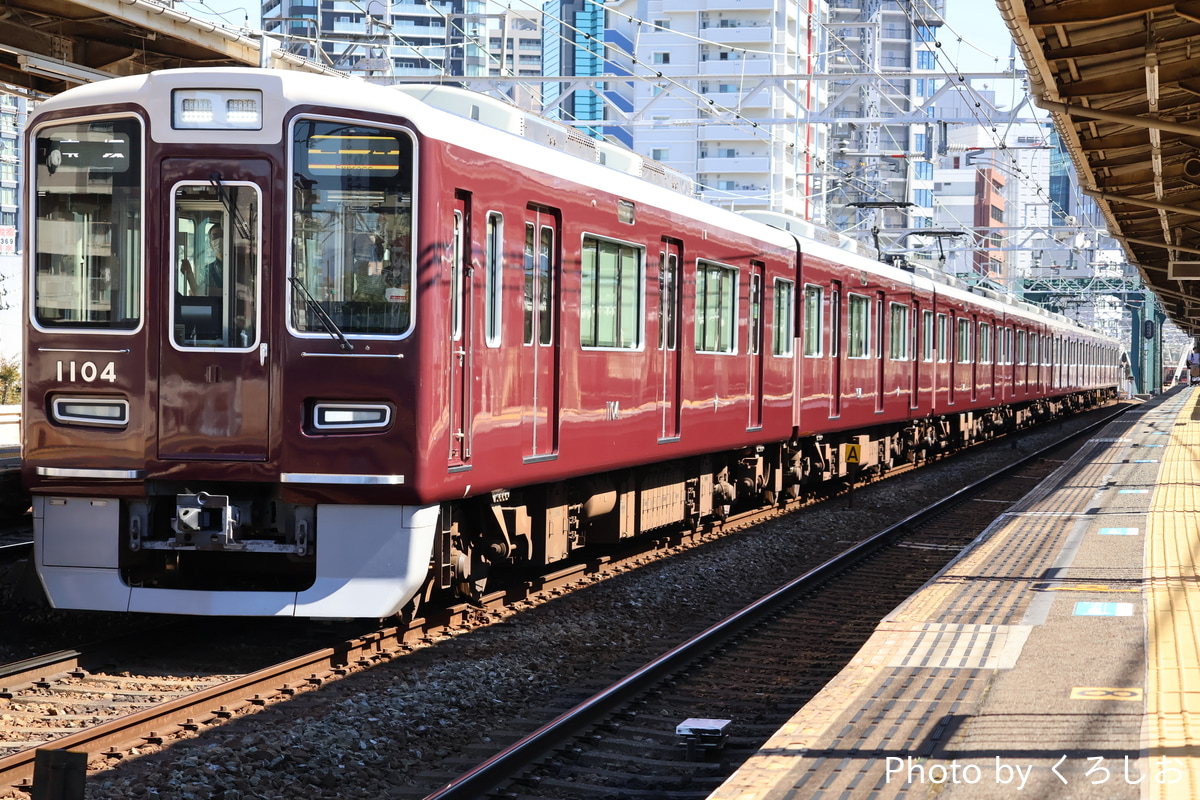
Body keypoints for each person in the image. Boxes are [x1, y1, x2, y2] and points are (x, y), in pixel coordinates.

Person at [181, 224, 224, 296]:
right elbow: (199, 293)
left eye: (222, 236)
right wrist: (189, 276)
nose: (219, 240)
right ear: (210, 244)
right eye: (215, 237)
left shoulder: (237, 266)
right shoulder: (207, 271)